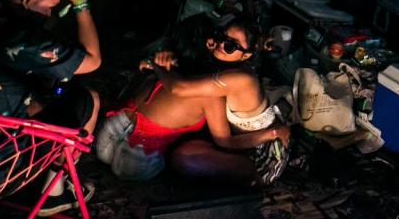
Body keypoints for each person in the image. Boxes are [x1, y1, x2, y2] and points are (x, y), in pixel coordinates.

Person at [0, 0, 101, 218]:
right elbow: (93, 60)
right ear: (28, 0)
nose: (50, 14)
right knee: (88, 99)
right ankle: (53, 195)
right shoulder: (25, 41)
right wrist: (79, 3)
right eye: (51, 7)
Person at [95, 14, 290, 186]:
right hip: (124, 140)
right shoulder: (216, 71)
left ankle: (244, 182)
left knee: (182, 157)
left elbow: (179, 88)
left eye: (230, 46)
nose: (221, 45)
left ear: (245, 55)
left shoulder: (240, 79)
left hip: (261, 155)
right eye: (221, 36)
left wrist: (272, 134)